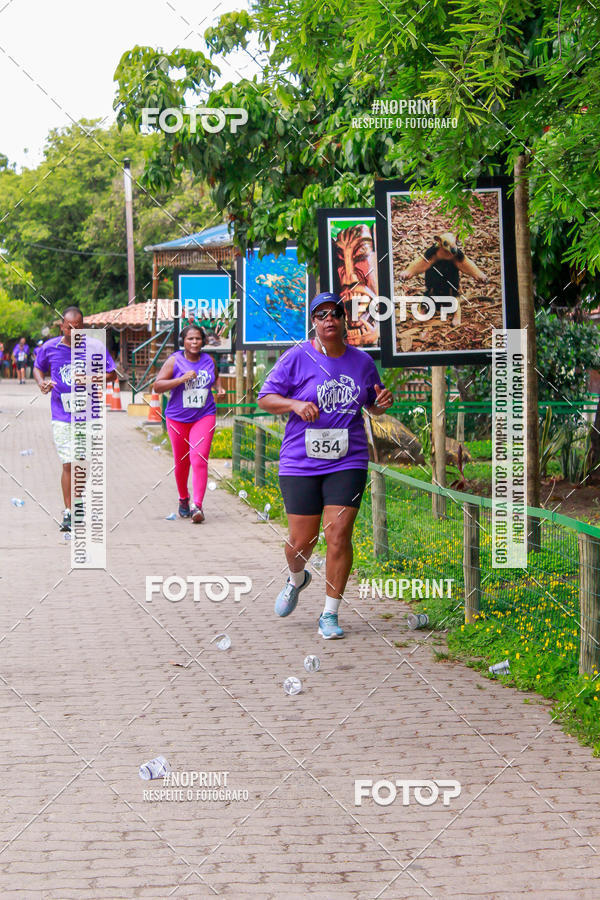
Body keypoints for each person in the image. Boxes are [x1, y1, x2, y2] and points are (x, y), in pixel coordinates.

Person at [257, 292, 394, 639]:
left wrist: (380, 405)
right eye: (321, 314)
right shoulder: (296, 358)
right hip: (300, 461)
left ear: (344, 319)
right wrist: (294, 404)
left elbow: (371, 405)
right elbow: (265, 398)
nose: (329, 319)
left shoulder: (362, 362)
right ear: (313, 323)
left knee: (337, 535)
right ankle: (296, 578)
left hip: (347, 460)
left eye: (335, 313)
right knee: (301, 542)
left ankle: (330, 614)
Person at [33, 307, 117, 532]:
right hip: (61, 414)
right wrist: (42, 383)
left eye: (77, 327)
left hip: (87, 414)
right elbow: (38, 368)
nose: (72, 331)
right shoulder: (50, 347)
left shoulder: (95, 347)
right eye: (68, 327)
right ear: (62, 326)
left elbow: (112, 374)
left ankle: (76, 505)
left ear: (84, 326)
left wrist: (90, 378)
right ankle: (70, 512)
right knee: (68, 462)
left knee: (79, 461)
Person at [153, 324, 226, 523]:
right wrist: (180, 379)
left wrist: (219, 388)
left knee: (199, 457)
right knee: (182, 461)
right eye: (190, 339)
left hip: (204, 415)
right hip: (177, 418)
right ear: (183, 341)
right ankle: (183, 499)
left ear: (203, 341)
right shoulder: (174, 361)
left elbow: (215, 377)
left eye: (198, 339)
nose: (194, 342)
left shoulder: (209, 360)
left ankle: (197, 505)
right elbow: (157, 386)